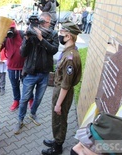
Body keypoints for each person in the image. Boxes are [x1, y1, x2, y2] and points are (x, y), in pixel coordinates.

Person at [14, 12, 59, 134]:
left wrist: (41, 38)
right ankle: (20, 120)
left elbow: (54, 50)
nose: (42, 24)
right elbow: (22, 53)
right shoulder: (30, 32)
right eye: (41, 21)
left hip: (44, 74)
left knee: (38, 99)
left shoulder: (54, 34)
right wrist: (27, 39)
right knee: (24, 99)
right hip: (30, 73)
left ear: (50, 23)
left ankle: (32, 113)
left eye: (45, 22)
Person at [42, 20, 82, 155]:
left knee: (59, 118)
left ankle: (57, 146)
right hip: (60, 90)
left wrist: (59, 104)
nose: (60, 35)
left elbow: (66, 83)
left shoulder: (70, 57)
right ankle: (56, 139)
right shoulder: (69, 51)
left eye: (62, 33)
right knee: (57, 118)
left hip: (62, 92)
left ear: (69, 36)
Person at [1, 21, 33, 111]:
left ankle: (31, 99)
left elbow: (30, 47)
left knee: (27, 85)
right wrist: (2, 38)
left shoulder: (22, 34)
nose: (11, 30)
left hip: (24, 67)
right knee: (15, 86)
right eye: (9, 29)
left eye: (12, 28)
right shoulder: (5, 37)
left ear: (15, 27)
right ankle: (16, 101)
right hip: (11, 67)